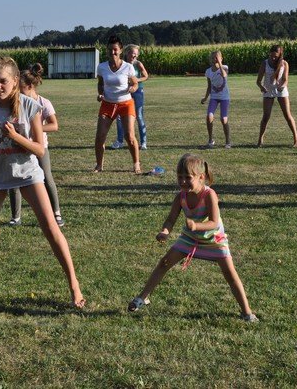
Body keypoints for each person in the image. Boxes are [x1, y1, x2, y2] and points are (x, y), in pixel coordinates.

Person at [0, 57, 84, 308]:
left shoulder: (30, 106)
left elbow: (39, 149)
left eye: (3, 81)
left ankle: (74, 287)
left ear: (15, 81)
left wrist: (16, 136)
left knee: (51, 228)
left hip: (28, 174)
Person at [127, 153, 258, 322]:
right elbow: (171, 219)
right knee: (164, 262)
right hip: (189, 238)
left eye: (187, 177)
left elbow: (213, 222)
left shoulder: (209, 195)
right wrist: (165, 232)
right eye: (179, 177)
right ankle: (142, 297)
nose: (182, 181)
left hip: (214, 240)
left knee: (230, 274)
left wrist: (196, 226)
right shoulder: (180, 196)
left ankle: (246, 312)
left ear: (201, 177)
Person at [7, 63, 65, 227]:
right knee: (15, 181)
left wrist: (35, 130)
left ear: (31, 86)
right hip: (19, 147)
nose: (17, 92)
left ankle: (57, 214)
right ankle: (15, 217)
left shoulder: (43, 103)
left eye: (21, 89)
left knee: (47, 179)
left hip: (40, 147)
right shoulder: (16, 103)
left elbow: (54, 125)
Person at [94, 35, 141, 173]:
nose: (112, 52)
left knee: (129, 136)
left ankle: (136, 164)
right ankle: (99, 165)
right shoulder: (102, 67)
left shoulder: (128, 67)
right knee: (100, 137)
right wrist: (100, 94)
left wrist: (133, 88)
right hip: (107, 104)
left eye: (115, 49)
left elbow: (135, 83)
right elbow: (100, 84)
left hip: (125, 103)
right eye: (110, 50)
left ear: (120, 50)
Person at [256, 44, 297, 148]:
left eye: (275, 56)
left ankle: (296, 140)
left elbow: (285, 80)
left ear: (280, 55)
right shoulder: (265, 63)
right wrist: (261, 87)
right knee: (266, 116)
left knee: (287, 115)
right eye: (271, 56)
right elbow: (258, 81)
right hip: (268, 90)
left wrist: (282, 86)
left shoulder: (284, 64)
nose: (273, 58)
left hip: (281, 90)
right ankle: (260, 140)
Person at [110, 44, 149, 150]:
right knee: (119, 117)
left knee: (139, 117)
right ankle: (120, 141)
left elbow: (146, 76)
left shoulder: (138, 64)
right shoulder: (122, 64)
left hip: (137, 92)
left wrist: (136, 80)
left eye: (136, 54)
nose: (135, 56)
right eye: (133, 54)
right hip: (124, 93)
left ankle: (143, 142)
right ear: (127, 53)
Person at [201, 50, 232, 148]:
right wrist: (205, 98)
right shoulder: (208, 71)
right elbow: (209, 86)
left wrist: (219, 63)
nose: (215, 59)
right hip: (214, 97)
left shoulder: (225, 68)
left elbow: (224, 75)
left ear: (221, 58)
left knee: (224, 119)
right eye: (213, 58)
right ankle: (210, 140)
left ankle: (228, 141)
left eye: (217, 57)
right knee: (209, 116)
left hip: (224, 98)